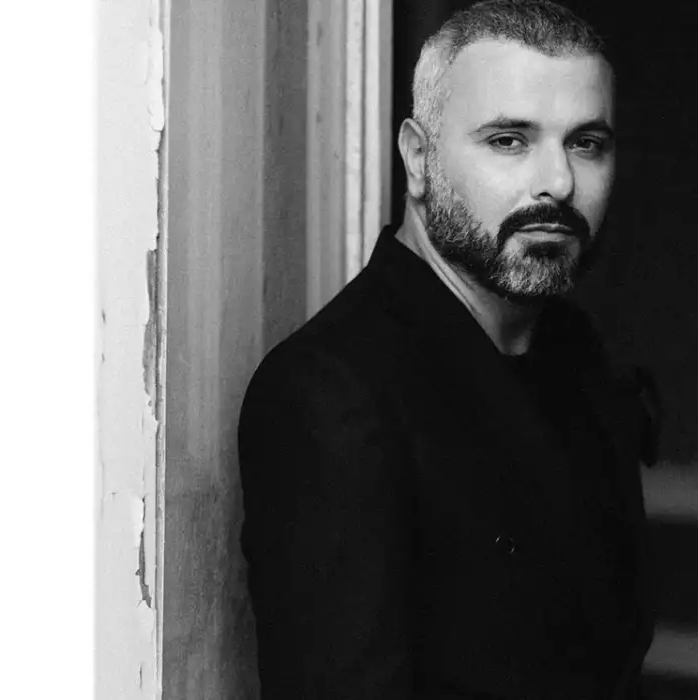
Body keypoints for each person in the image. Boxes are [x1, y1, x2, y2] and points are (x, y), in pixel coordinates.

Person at [238, 1, 658, 697]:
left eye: (586, 143)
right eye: (509, 140)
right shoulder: (332, 394)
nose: (558, 181)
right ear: (418, 158)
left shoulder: (577, 352)